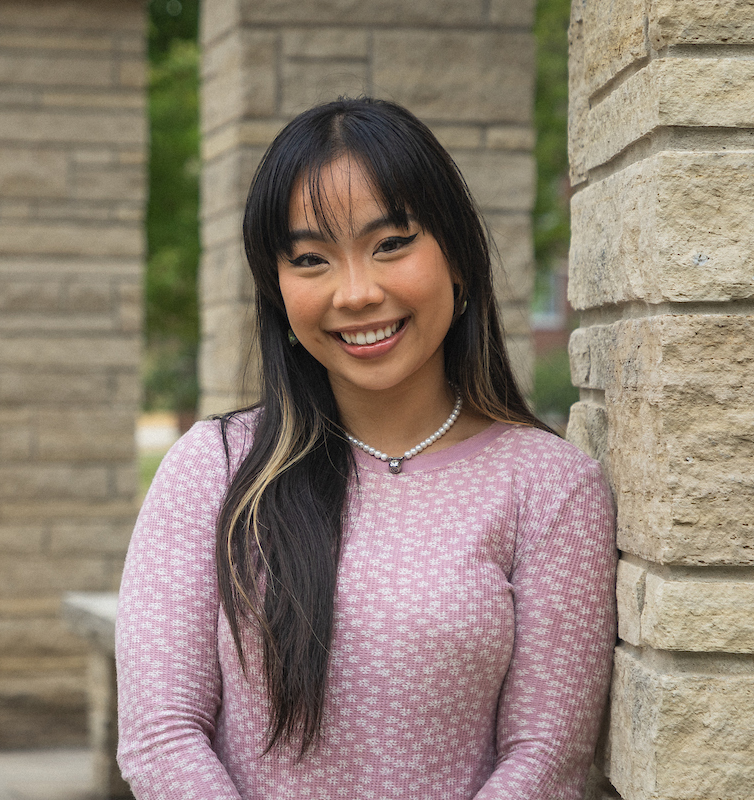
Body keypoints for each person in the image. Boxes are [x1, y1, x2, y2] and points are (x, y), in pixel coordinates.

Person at [114, 97, 616, 800]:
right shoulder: (214, 470)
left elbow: (546, 759)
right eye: (312, 259)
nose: (357, 293)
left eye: (391, 245)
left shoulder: (551, 487)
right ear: (278, 291)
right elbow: (161, 734)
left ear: (459, 261)